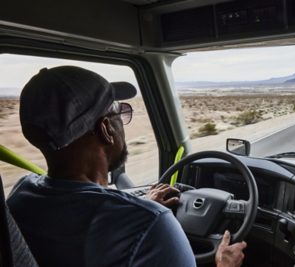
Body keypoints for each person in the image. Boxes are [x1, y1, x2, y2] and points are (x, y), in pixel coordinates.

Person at [6, 66, 247, 267]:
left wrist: (145, 207)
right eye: (119, 112)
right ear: (106, 130)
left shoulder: (21, 195)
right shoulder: (150, 224)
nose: (122, 121)